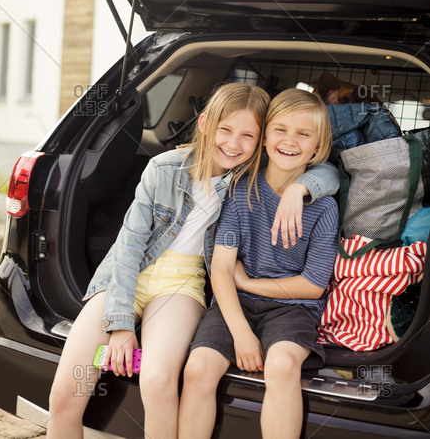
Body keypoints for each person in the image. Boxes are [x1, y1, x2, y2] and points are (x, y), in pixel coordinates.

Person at [46, 83, 338, 439]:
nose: (233, 144)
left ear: (260, 140)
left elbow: (326, 171)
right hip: (127, 273)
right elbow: (128, 246)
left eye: (248, 135)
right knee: (65, 395)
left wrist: (299, 187)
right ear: (204, 124)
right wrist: (121, 326)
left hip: (182, 284)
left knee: (156, 379)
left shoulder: (244, 180)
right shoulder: (163, 168)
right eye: (225, 130)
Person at [178, 88, 339, 439]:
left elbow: (312, 285)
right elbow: (221, 269)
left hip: (294, 308)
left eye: (303, 134)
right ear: (264, 138)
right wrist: (242, 335)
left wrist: (247, 282)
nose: (290, 141)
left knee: (281, 367)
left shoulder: (325, 208)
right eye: (280, 130)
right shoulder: (240, 191)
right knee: (199, 367)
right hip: (234, 305)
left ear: (318, 147)